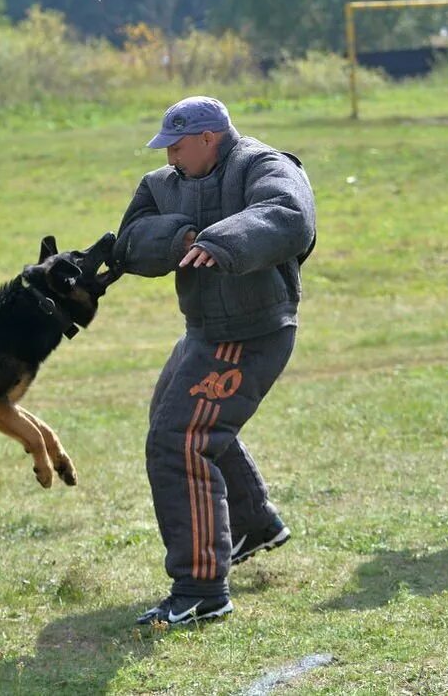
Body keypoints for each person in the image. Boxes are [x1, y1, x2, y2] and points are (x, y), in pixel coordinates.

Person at [111, 96, 316, 625]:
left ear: (210, 138)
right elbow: (129, 240)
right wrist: (180, 237)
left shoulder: (263, 164)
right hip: (203, 332)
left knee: (180, 440)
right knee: (173, 421)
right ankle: (253, 525)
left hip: (251, 333)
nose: (170, 157)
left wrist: (223, 241)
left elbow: (290, 216)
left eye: (178, 147)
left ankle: (201, 588)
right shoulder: (162, 182)